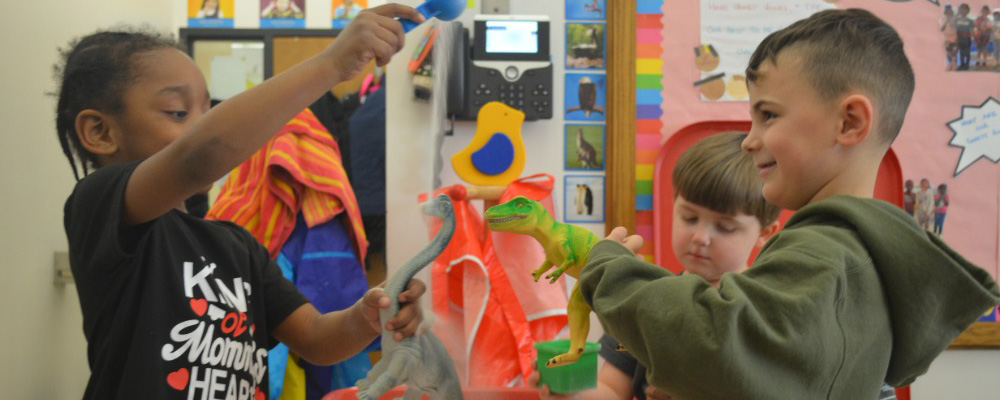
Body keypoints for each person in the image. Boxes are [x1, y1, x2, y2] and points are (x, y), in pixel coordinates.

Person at [579, 9, 1000, 400]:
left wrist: (609, 271)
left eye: (768, 116)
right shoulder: (861, 257)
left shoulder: (825, 255)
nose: (750, 139)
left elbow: (711, 344)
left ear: (850, 122)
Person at [55, 5, 427, 399]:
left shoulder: (237, 245)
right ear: (99, 132)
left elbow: (318, 340)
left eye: (207, 110)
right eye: (178, 112)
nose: (200, 124)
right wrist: (332, 64)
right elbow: (201, 153)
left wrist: (367, 314)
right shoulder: (99, 206)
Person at [532, 132, 781, 400]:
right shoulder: (646, 300)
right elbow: (612, 390)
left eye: (724, 227)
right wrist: (570, 391)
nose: (700, 237)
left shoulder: (767, 314)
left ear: (765, 233)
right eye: (689, 217)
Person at [955, 3, 974, 70]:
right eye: (961, 9)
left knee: (967, 52)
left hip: (967, 38)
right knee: (961, 52)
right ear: (959, 10)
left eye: (965, 10)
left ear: (968, 11)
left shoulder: (970, 21)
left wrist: (974, 37)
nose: (963, 11)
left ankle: (967, 64)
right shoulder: (956, 20)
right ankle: (962, 64)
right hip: (959, 38)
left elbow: (972, 30)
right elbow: (954, 28)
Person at [941, 5, 958, 70]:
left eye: (949, 11)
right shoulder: (943, 19)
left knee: (954, 53)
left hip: (954, 38)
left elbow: (956, 28)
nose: (948, 13)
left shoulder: (955, 19)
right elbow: (941, 29)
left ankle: (954, 65)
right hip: (946, 39)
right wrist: (946, 22)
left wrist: (951, 22)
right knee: (948, 53)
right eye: (947, 12)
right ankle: (950, 64)